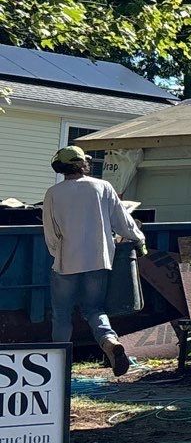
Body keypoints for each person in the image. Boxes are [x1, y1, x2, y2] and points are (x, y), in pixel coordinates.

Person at [40, 144, 143, 376]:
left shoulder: (53, 194)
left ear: (61, 167)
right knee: (94, 309)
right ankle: (109, 342)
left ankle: (60, 367)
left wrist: (58, 255)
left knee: (62, 313)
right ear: (83, 165)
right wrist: (139, 238)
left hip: (67, 263)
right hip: (99, 261)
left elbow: (51, 233)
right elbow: (122, 222)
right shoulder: (103, 187)